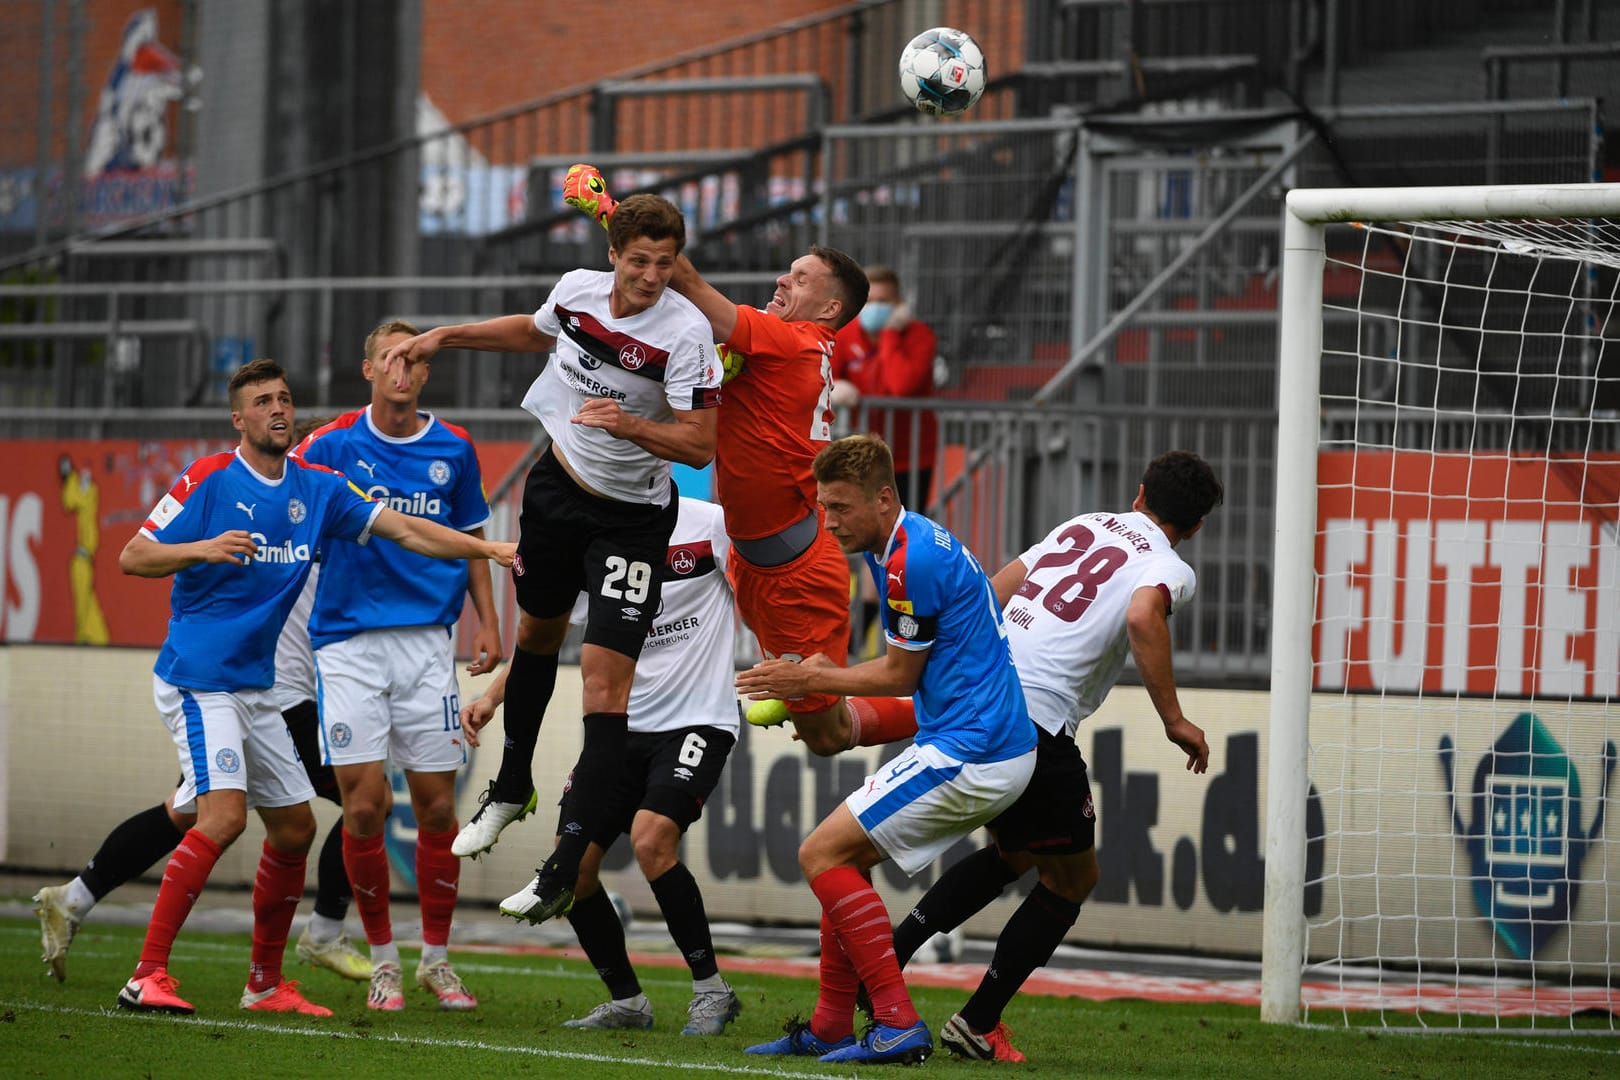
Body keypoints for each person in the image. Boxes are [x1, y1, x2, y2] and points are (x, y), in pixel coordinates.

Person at [113, 359, 514, 1017]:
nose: (277, 408)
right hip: (199, 678)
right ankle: (146, 974)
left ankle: (265, 984)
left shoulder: (318, 487)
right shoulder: (208, 479)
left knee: (295, 828)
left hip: (256, 685)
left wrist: (488, 549)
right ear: (238, 419)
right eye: (262, 401)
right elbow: (135, 556)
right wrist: (204, 548)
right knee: (224, 816)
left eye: (284, 399)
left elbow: (407, 529)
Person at [375, 194, 720, 928]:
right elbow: (532, 334)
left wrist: (628, 424)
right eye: (639, 261)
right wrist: (448, 336)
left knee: (603, 689)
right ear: (613, 256)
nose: (652, 276)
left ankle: (564, 866)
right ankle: (510, 787)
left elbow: (700, 443)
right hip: (557, 489)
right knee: (535, 637)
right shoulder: (577, 292)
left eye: (665, 263)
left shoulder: (687, 335)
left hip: (631, 521)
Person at [865, 450, 1223, 1062]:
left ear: (1138, 494)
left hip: (988, 698)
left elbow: (993, 590)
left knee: (1015, 855)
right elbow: (1142, 614)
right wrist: (1174, 719)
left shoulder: (1083, 524)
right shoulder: (1170, 565)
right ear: (1194, 526)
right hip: (1038, 721)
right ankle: (977, 1022)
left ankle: (886, 966)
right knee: (1074, 877)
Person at [563, 164, 918, 761]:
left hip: (795, 573)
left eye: (800, 278)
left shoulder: (794, 340)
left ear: (829, 308)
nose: (783, 279)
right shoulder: (785, 347)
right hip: (760, 560)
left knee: (826, 736)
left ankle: (955, 704)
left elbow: (692, 286)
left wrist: (610, 212)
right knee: (815, 728)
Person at [732, 434, 1037, 1066]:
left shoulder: (908, 562)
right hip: (976, 738)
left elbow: (900, 674)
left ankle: (897, 1022)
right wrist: (847, 719)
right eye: (823, 506)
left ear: (884, 497)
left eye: (841, 507)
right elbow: (928, 682)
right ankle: (830, 1025)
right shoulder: (902, 542)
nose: (830, 520)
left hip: (975, 751)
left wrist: (810, 679)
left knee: (819, 851)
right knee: (841, 855)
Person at [461, 496, 743, 1036]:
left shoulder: (711, 524)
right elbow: (545, 635)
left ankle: (712, 991)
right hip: (618, 732)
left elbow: (757, 598)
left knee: (651, 839)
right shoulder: (598, 537)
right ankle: (627, 1001)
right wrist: (496, 698)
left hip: (697, 723)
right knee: (576, 870)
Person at [293, 320, 504, 1011]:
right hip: (348, 645)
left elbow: (471, 539)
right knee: (363, 806)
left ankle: (436, 961)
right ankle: (384, 960)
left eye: (414, 359)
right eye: (390, 358)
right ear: (368, 371)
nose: (403, 370)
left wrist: (490, 624)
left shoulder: (454, 448)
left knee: (439, 807)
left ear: (424, 373)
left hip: (427, 645)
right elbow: (289, 515)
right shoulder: (329, 446)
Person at [32, 562, 370, 985]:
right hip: (267, 694)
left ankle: (75, 899)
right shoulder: (292, 508)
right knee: (364, 801)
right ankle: (321, 931)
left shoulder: (319, 508)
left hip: (258, 692)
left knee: (187, 812)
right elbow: (139, 553)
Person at [830, 265, 939, 509]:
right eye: (869, 301)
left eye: (883, 301)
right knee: (859, 529)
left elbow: (901, 386)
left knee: (903, 529)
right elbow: (824, 378)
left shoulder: (919, 336)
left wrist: (890, 333)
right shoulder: (845, 335)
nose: (875, 307)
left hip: (909, 456)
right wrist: (835, 386)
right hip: (859, 455)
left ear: (898, 303)